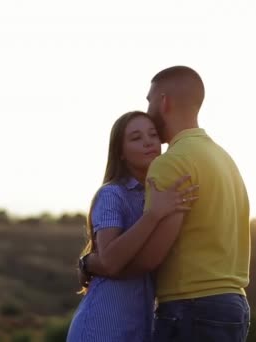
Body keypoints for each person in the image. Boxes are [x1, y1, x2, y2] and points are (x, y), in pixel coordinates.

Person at [84, 66, 252, 342]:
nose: (148, 109)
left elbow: (149, 258)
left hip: (191, 308)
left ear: (164, 101)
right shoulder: (223, 158)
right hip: (234, 307)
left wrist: (94, 264)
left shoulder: (171, 162)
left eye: (149, 101)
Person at [66, 111, 198, 342]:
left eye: (153, 135)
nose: (148, 141)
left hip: (140, 328)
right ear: (121, 152)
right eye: (136, 138)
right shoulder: (112, 194)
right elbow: (109, 260)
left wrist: (86, 263)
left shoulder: (162, 193)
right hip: (102, 328)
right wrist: (153, 214)